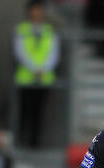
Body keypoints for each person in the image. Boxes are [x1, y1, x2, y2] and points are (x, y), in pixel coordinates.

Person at [14, 0, 60, 148]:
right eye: (34, 10)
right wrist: (35, 68)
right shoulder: (22, 29)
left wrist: (43, 69)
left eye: (39, 10)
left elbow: (54, 53)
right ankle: (21, 142)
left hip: (44, 79)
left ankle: (35, 144)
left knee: (38, 112)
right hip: (26, 78)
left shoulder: (49, 30)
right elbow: (20, 51)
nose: (37, 13)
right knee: (24, 111)